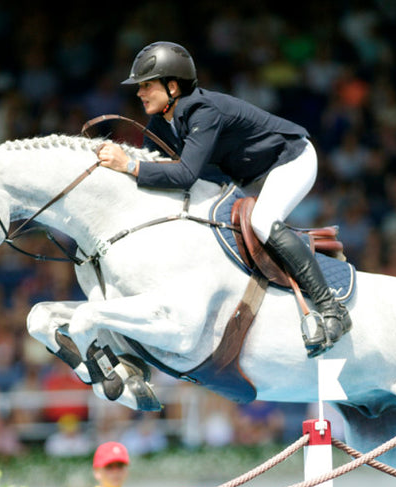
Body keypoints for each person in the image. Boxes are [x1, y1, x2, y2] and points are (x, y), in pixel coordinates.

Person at [97, 41, 351, 357]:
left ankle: (331, 307)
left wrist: (129, 165)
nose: (139, 93)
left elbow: (184, 174)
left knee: (262, 221)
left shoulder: (203, 111)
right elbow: (151, 168)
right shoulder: (161, 121)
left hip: (291, 159)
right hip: (249, 177)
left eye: (147, 85)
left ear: (172, 87)